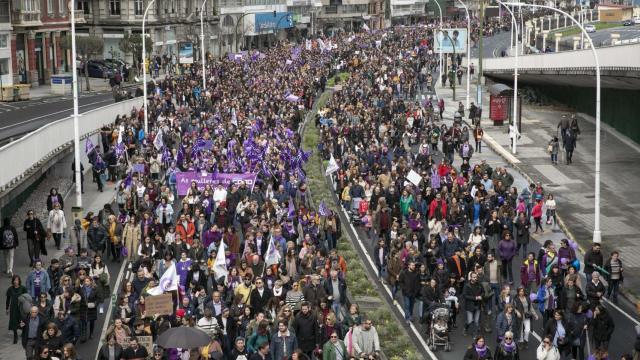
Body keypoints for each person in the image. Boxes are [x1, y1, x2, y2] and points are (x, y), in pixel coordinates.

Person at [6, 274, 28, 344]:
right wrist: (7, 308)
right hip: (13, 307)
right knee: (14, 321)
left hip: (21, 307)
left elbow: (26, 297)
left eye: (17, 280)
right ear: (13, 281)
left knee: (22, 320)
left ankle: (24, 333)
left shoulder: (23, 288)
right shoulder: (10, 289)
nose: (16, 281)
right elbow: (8, 299)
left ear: (19, 281)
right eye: (15, 280)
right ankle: (15, 336)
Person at [463, 271, 483, 337]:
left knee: (476, 321)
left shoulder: (479, 284)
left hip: (478, 305)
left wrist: (481, 296)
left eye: (476, 277)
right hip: (469, 305)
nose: (475, 278)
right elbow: (465, 296)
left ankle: (475, 333)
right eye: (473, 277)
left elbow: (483, 292)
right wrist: (475, 298)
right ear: (470, 277)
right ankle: (465, 328)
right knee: (470, 321)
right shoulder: (467, 285)